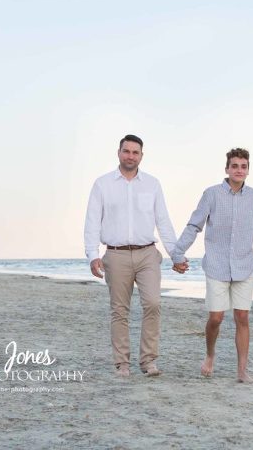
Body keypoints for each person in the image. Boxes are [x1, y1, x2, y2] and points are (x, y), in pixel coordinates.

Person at [171, 148, 253, 383]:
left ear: (248, 170)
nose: (239, 170)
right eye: (235, 166)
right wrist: (178, 253)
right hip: (217, 266)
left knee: (242, 317)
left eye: (243, 166)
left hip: (244, 266)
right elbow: (194, 226)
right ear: (227, 169)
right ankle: (210, 354)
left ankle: (242, 370)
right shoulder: (211, 194)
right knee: (217, 318)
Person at [84, 134, 178, 378]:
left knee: (153, 304)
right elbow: (92, 221)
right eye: (126, 151)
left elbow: (163, 220)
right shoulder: (102, 184)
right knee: (119, 310)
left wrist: (176, 254)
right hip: (116, 256)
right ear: (118, 153)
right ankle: (121, 363)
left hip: (147, 253)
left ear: (141, 156)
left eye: (135, 152)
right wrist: (92, 254)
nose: (130, 156)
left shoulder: (152, 184)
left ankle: (148, 361)